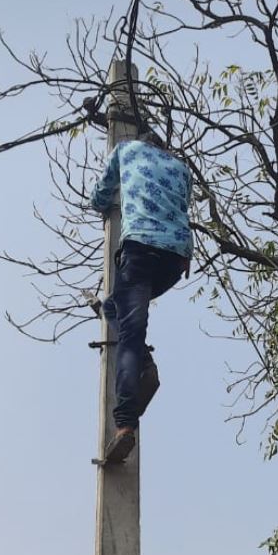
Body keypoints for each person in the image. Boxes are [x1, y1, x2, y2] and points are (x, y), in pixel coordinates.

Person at [90, 130, 193, 462]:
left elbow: (101, 195)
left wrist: (103, 205)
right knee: (111, 306)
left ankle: (124, 425)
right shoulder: (182, 168)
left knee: (131, 338)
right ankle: (144, 365)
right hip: (175, 259)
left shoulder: (126, 149)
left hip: (140, 250)